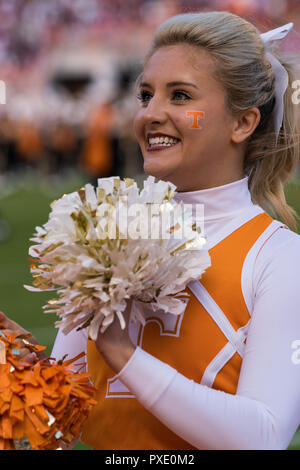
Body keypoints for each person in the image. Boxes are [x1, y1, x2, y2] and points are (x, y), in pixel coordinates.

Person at [1, 11, 300, 450]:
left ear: (243, 123)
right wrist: (20, 372)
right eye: (145, 95)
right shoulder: (102, 236)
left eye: (180, 96)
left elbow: (263, 437)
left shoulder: (279, 256)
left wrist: (123, 355)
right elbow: (66, 418)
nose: (150, 114)